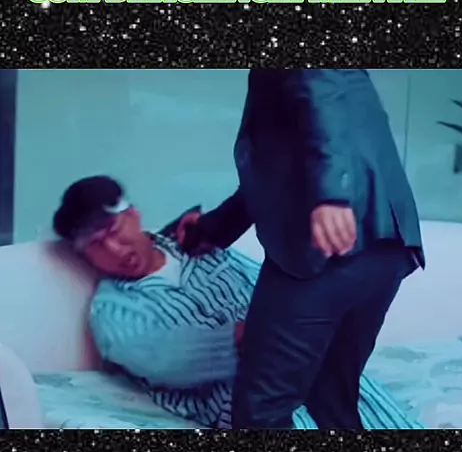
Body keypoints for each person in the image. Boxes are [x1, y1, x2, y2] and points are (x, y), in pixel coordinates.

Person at [51, 174, 420, 431]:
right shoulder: (112, 312)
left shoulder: (200, 246)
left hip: (324, 371)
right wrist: (264, 332)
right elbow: (165, 360)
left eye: (114, 231)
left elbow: (274, 285)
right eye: (96, 246)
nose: (115, 250)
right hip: (253, 399)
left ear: (133, 215)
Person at [177, 69, 425, 430]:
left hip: (326, 246)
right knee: (331, 400)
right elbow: (278, 175)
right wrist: (211, 229)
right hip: (386, 246)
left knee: (260, 410)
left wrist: (332, 195)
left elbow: (321, 98)